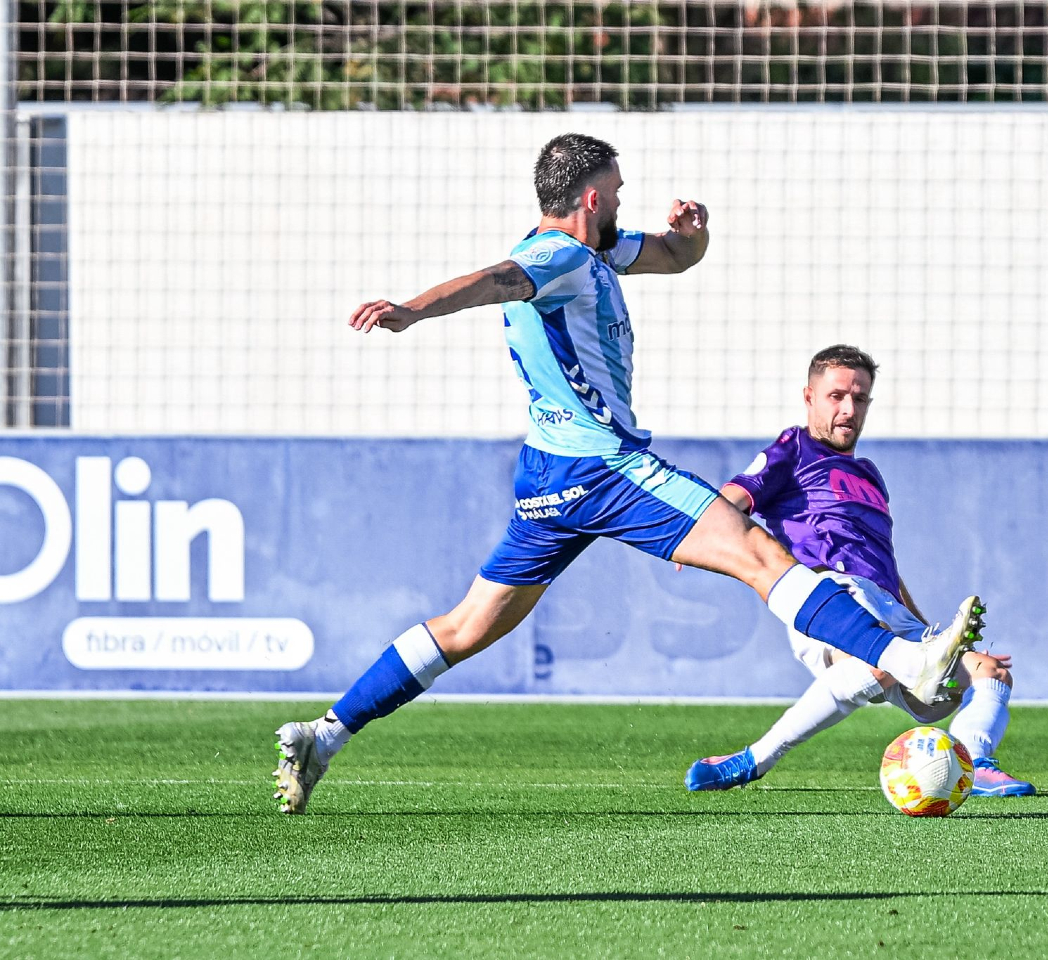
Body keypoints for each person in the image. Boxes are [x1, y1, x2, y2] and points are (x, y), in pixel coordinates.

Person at [271, 134, 987, 814]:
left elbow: (677, 256)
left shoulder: (598, 256)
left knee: (463, 629)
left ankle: (325, 734)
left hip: (547, 476)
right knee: (760, 554)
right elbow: (497, 279)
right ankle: (904, 658)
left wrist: (693, 233)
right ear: (588, 198)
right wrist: (410, 311)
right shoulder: (559, 256)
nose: (622, 203)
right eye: (615, 192)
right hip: (606, 466)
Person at [684, 345, 1034, 797]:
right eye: (836, 397)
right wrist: (699, 535)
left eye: (860, 398)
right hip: (829, 596)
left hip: (888, 606)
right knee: (877, 664)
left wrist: (928, 633)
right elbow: (735, 496)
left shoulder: (869, 475)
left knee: (989, 672)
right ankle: (754, 760)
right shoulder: (793, 448)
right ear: (809, 397)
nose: (849, 409)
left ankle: (974, 765)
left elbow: (885, 566)